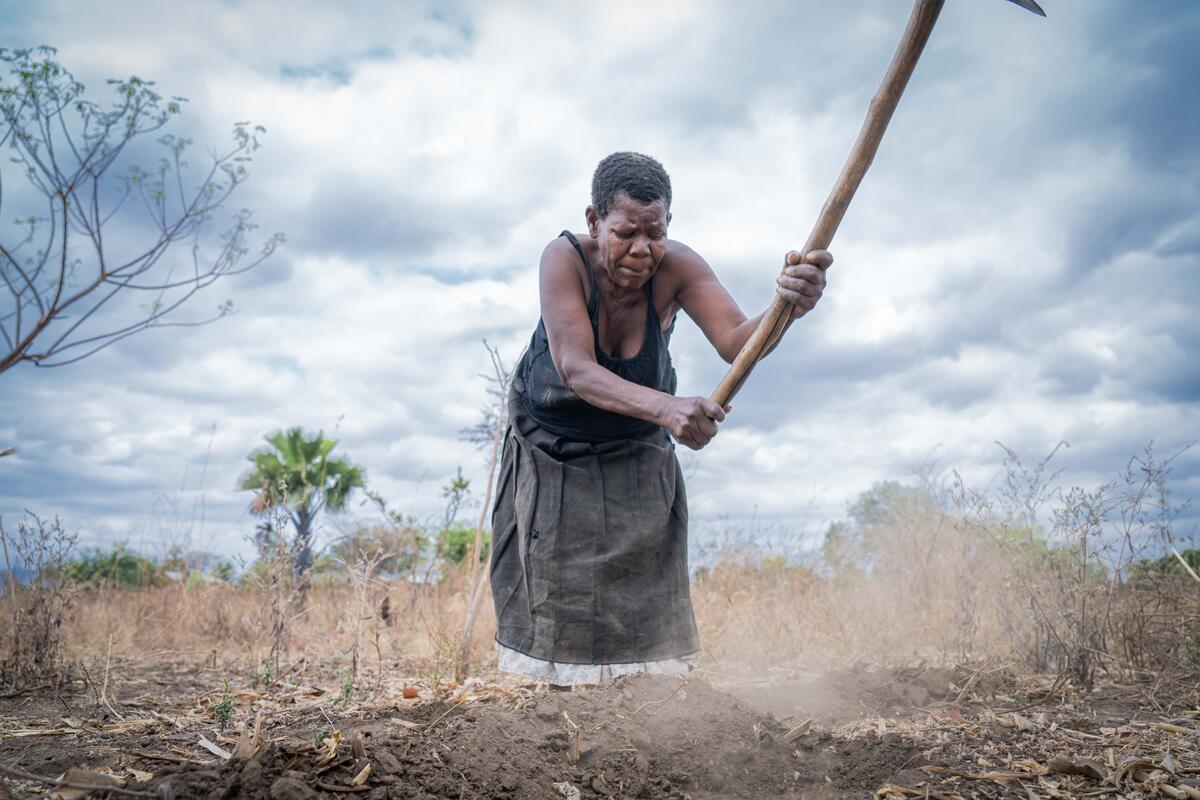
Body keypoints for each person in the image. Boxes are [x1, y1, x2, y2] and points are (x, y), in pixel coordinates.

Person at [489, 152, 831, 685]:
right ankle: (559, 691)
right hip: (554, 433)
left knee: (644, 553)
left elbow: (737, 342)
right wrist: (669, 408)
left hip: (635, 434)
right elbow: (576, 368)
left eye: (656, 232)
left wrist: (787, 306)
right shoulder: (562, 259)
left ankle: (645, 693)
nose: (642, 249)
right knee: (558, 563)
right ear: (593, 221)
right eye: (626, 232)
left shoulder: (679, 268)